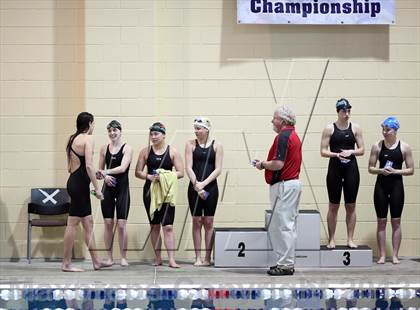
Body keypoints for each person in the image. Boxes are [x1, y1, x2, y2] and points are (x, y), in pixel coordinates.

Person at [254, 106, 302, 276]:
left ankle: (286, 264)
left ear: (282, 121)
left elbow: (278, 164)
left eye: (274, 118)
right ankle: (285, 262)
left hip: (284, 185)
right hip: (290, 184)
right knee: (284, 225)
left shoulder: (283, 136)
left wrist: (263, 164)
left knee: (284, 226)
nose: (272, 121)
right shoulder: (292, 135)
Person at [63, 112, 111, 272]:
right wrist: (97, 189)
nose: (94, 126)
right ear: (90, 123)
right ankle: (66, 264)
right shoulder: (88, 139)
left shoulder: (72, 139)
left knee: (87, 223)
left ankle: (96, 262)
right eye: (93, 123)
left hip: (76, 182)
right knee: (73, 223)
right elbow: (89, 166)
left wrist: (91, 176)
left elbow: (74, 166)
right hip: (79, 186)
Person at [135, 122, 184, 268]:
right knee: (154, 226)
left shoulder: (172, 152)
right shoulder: (145, 152)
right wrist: (150, 177)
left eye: (156, 134)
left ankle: (171, 259)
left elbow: (181, 172)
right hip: (150, 192)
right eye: (151, 134)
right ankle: (158, 258)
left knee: (168, 227)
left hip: (167, 193)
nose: (153, 137)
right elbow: (137, 172)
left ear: (163, 135)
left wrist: (164, 176)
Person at [368, 117, 414, 264]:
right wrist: (381, 170)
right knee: (381, 222)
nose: (385, 132)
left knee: (396, 222)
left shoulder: (404, 147)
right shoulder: (377, 146)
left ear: (395, 130)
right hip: (381, 186)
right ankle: (382, 255)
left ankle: (394, 255)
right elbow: (370, 168)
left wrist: (395, 171)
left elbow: (411, 170)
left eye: (388, 130)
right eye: (383, 129)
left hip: (396, 187)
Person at [320, 98, 365, 249]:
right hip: (335, 169)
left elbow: (362, 149)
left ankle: (350, 239)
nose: (347, 113)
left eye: (348, 110)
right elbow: (323, 151)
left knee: (351, 205)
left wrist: (351, 151)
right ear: (338, 112)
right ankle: (331, 239)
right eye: (344, 111)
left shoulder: (355, 128)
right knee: (333, 205)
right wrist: (336, 155)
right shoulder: (329, 129)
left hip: (351, 169)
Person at [185, 117, 223, 266]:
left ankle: (207, 258)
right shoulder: (190, 144)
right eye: (195, 128)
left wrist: (204, 184)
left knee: (208, 221)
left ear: (206, 129)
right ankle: (198, 257)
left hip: (211, 187)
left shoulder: (217, 145)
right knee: (196, 221)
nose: (196, 131)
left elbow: (218, 169)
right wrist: (196, 185)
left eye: (198, 128)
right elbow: (188, 167)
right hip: (194, 188)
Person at [97, 120, 133, 267]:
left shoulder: (127, 148)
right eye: (110, 131)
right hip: (108, 190)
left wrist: (106, 172)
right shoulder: (103, 149)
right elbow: (99, 172)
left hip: (123, 189)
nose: (112, 133)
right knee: (108, 223)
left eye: (115, 130)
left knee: (122, 225)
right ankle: (110, 258)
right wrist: (104, 176)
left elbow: (123, 168)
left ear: (120, 131)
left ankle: (123, 257)